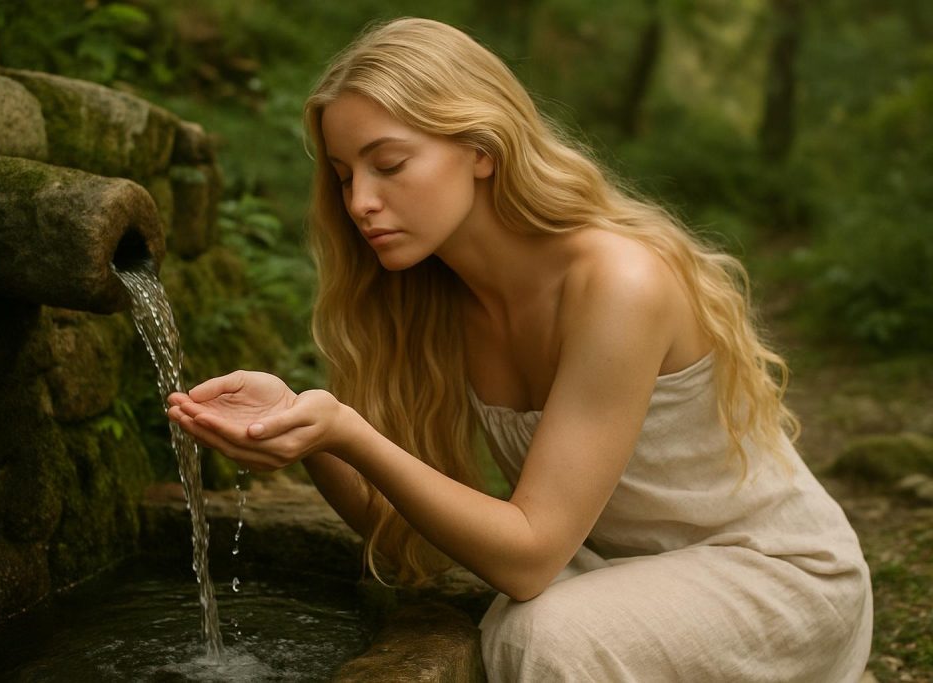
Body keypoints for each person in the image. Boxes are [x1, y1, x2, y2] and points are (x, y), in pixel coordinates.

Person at [167, 17, 873, 682]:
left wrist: (349, 430)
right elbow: (414, 541)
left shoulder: (617, 282)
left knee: (540, 632)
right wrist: (307, 432)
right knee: (520, 619)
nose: (359, 203)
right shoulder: (434, 298)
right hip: (607, 569)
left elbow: (529, 556)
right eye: (345, 174)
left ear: (481, 149)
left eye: (389, 164)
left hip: (773, 573)